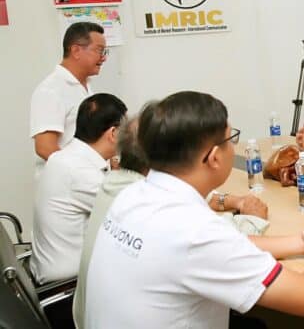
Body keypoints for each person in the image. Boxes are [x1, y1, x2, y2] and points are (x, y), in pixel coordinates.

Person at [85, 91, 304, 328]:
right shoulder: (194, 231)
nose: (233, 147)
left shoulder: (133, 194)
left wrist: (301, 241)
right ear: (214, 157)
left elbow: (227, 246)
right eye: (231, 139)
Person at [72, 116, 269, 329]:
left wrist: (232, 201)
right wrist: (252, 220)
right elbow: (220, 246)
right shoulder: (151, 206)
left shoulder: (118, 186)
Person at [30, 93, 127, 284]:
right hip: (66, 286)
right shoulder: (80, 172)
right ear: (113, 133)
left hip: (48, 271)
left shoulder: (64, 158)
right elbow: (132, 214)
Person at [30, 22, 108, 176]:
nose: (103, 57)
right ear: (76, 51)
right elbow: (45, 147)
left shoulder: (85, 87)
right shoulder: (51, 90)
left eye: (105, 51)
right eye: (99, 50)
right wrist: (82, 173)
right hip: (69, 183)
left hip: (90, 178)